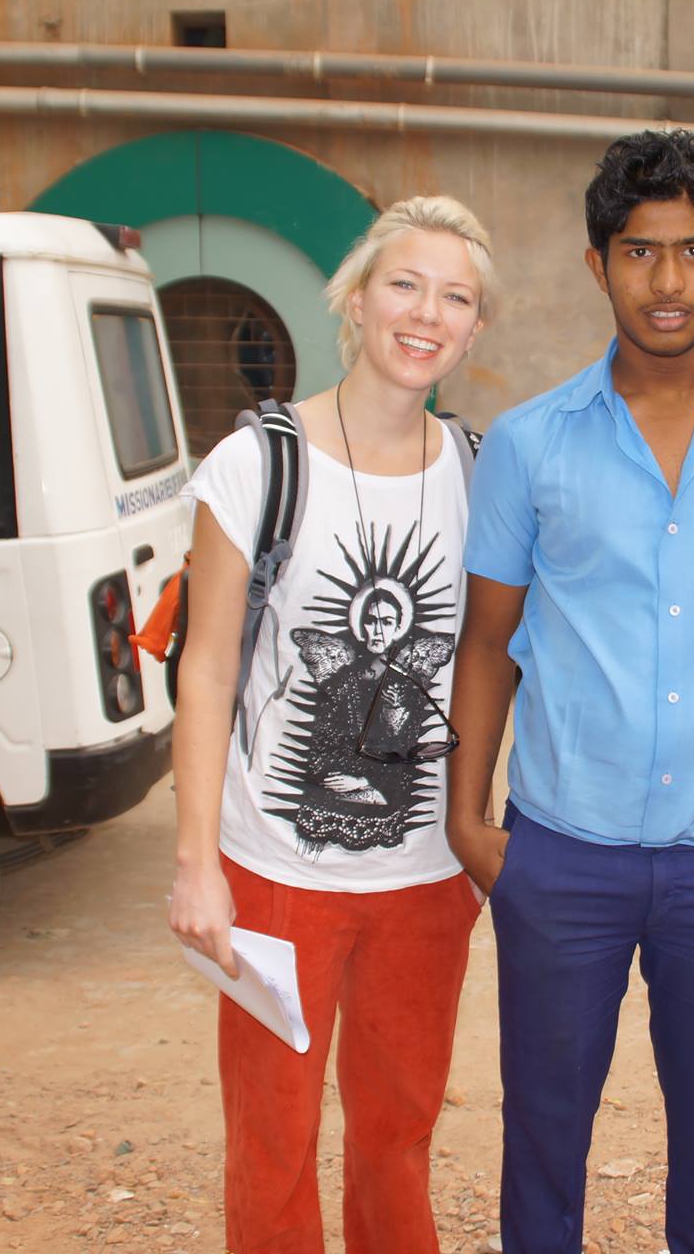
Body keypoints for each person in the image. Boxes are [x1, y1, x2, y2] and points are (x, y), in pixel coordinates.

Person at [447, 129, 694, 1254]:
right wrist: (469, 824)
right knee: (542, 1132)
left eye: (690, 251)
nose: (665, 283)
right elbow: (487, 642)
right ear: (597, 264)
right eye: (637, 252)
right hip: (560, 853)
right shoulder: (529, 446)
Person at [167, 195, 497, 1254]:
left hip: (423, 883)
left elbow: (503, 666)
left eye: (454, 297)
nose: (425, 313)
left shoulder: (481, 476)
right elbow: (207, 667)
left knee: (396, 1135)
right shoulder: (257, 465)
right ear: (354, 300)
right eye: (404, 283)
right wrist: (194, 863)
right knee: (269, 1140)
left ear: (473, 329)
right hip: (272, 877)